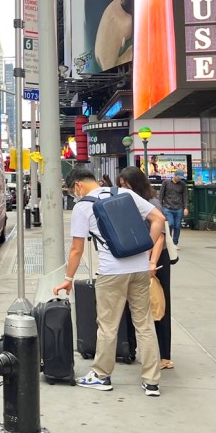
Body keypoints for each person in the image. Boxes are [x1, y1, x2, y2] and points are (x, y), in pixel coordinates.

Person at [55, 167, 166, 396]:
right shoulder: (124, 194)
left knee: (108, 325)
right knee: (143, 324)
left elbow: (77, 250)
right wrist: (145, 249)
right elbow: (159, 219)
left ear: (77, 185)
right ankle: (151, 382)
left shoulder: (83, 206)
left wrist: (68, 279)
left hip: (112, 271)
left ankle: (102, 375)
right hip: (140, 270)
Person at [119, 166, 174, 369]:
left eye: (126, 184)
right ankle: (132, 349)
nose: (123, 188)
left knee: (159, 305)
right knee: (138, 305)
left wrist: (151, 262)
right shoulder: (132, 202)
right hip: (140, 257)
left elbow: (159, 236)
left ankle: (164, 356)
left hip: (156, 259)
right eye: (121, 185)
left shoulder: (151, 203)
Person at [158, 170, 188, 247]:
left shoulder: (183, 184)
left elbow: (185, 196)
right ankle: (169, 240)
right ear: (175, 175)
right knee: (170, 223)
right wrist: (160, 207)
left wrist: (185, 207)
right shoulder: (166, 183)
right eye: (178, 177)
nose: (179, 179)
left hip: (179, 207)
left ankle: (175, 243)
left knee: (177, 226)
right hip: (167, 207)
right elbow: (161, 195)